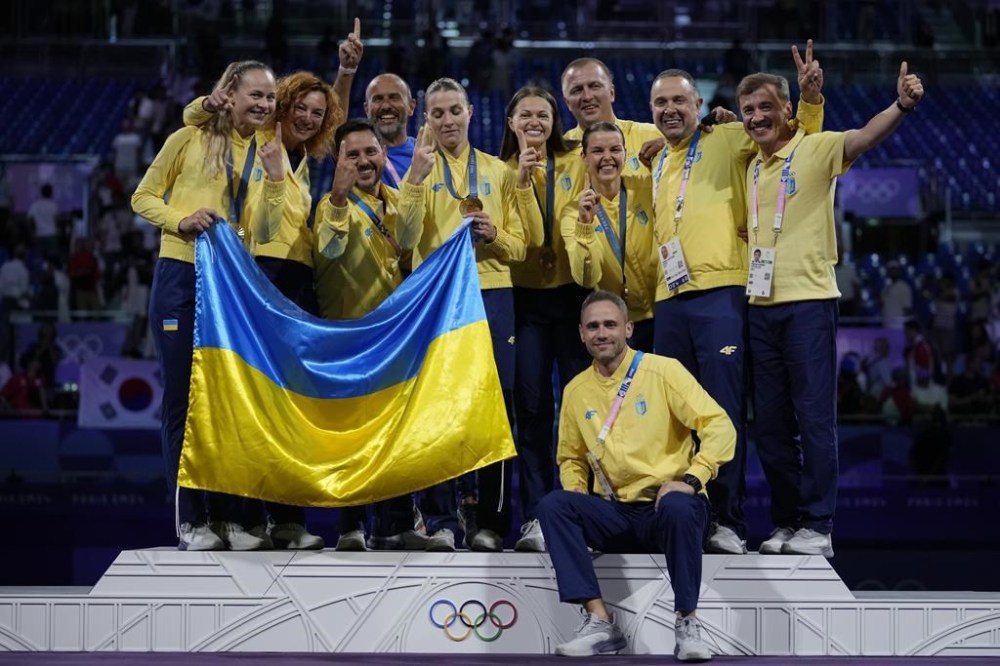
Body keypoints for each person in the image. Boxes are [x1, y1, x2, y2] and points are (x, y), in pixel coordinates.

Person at [737, 52, 924, 557]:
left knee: (814, 418)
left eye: (765, 107)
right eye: (747, 109)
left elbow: (864, 135)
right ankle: (788, 520)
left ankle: (818, 525)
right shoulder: (749, 166)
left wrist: (901, 106)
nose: (756, 117)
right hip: (758, 305)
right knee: (771, 425)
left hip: (809, 303)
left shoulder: (816, 150)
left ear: (786, 109)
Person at [645, 43, 825, 555]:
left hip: (722, 294)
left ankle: (727, 519)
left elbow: (798, 145)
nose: (670, 110)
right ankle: (687, 517)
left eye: (680, 101)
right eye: (660, 104)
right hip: (669, 300)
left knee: (721, 410)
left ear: (699, 106)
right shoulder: (655, 159)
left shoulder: (726, 136)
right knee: (676, 416)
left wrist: (809, 101)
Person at [183, 68, 345, 550]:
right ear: (282, 103)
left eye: (318, 113)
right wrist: (207, 103)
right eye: (300, 107)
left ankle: (286, 520)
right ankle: (238, 519)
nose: (309, 118)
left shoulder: (304, 159)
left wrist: (346, 75)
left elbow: (333, 119)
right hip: (256, 274)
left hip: (298, 283)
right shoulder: (256, 139)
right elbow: (198, 115)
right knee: (247, 397)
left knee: (287, 405)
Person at [131, 60, 288, 552]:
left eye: (270, 98)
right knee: (185, 400)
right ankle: (190, 520)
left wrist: (278, 181)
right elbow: (142, 197)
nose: (263, 105)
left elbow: (263, 231)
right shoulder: (188, 137)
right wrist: (182, 221)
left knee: (225, 403)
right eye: (255, 95)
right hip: (182, 274)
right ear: (231, 94)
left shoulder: (263, 152)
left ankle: (228, 520)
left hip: (232, 284)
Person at [537, 290, 735, 661]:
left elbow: (719, 425)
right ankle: (599, 621)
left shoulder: (663, 371)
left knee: (678, 505)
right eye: (593, 326)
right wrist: (576, 488)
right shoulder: (576, 390)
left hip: (669, 509)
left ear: (628, 328)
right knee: (554, 506)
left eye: (610, 324)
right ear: (581, 333)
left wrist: (693, 479)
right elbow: (570, 457)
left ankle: (687, 622)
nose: (602, 333)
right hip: (615, 512)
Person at [397, 77, 526, 552]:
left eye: (455, 111)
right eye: (437, 113)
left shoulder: (499, 171)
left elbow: (521, 247)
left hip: (492, 295)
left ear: (471, 112)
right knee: (437, 408)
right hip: (438, 301)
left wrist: (495, 235)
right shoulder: (418, 170)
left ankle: (489, 521)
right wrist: (413, 179)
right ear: (425, 119)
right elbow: (406, 239)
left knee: (495, 409)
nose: (447, 120)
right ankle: (440, 519)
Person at [313, 119, 427, 552]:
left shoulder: (401, 202)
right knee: (353, 438)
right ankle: (350, 526)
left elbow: (416, 248)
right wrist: (340, 197)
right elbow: (329, 249)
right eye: (352, 154)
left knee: (395, 435)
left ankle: (395, 524)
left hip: (395, 341)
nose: (363, 161)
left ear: (384, 155)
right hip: (348, 339)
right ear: (339, 162)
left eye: (370, 152)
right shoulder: (330, 204)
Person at [497, 86, 590, 552]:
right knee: (532, 411)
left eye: (543, 114)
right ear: (510, 121)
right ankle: (534, 516)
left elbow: (624, 147)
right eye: (525, 115)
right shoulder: (502, 172)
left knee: (581, 409)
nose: (535, 121)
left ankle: (585, 510)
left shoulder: (578, 158)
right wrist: (522, 183)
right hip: (527, 303)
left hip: (575, 299)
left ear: (555, 120)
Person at [562, 122, 657, 352]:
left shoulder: (648, 188)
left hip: (664, 312)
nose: (607, 157)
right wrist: (585, 224)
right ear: (584, 157)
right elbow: (586, 278)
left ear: (625, 153)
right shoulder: (572, 212)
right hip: (620, 325)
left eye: (615, 150)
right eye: (597, 151)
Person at [560, 58, 661, 179]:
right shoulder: (558, 152)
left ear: (611, 93)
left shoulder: (653, 137)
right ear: (567, 103)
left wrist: (671, 146)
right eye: (577, 90)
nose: (587, 96)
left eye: (595, 86)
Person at [364, 73, 417, 188]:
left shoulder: (430, 154)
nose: (386, 106)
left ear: (411, 107)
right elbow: (335, 126)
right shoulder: (360, 157)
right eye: (378, 99)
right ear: (366, 109)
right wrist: (347, 71)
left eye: (394, 98)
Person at [27, 184, 60, 260]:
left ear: (41, 193)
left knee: (39, 259)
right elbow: (56, 220)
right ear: (51, 193)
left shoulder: (35, 205)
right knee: (52, 259)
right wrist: (57, 230)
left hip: (39, 235)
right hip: (52, 234)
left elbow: (28, 220)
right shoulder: (53, 205)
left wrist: (32, 233)